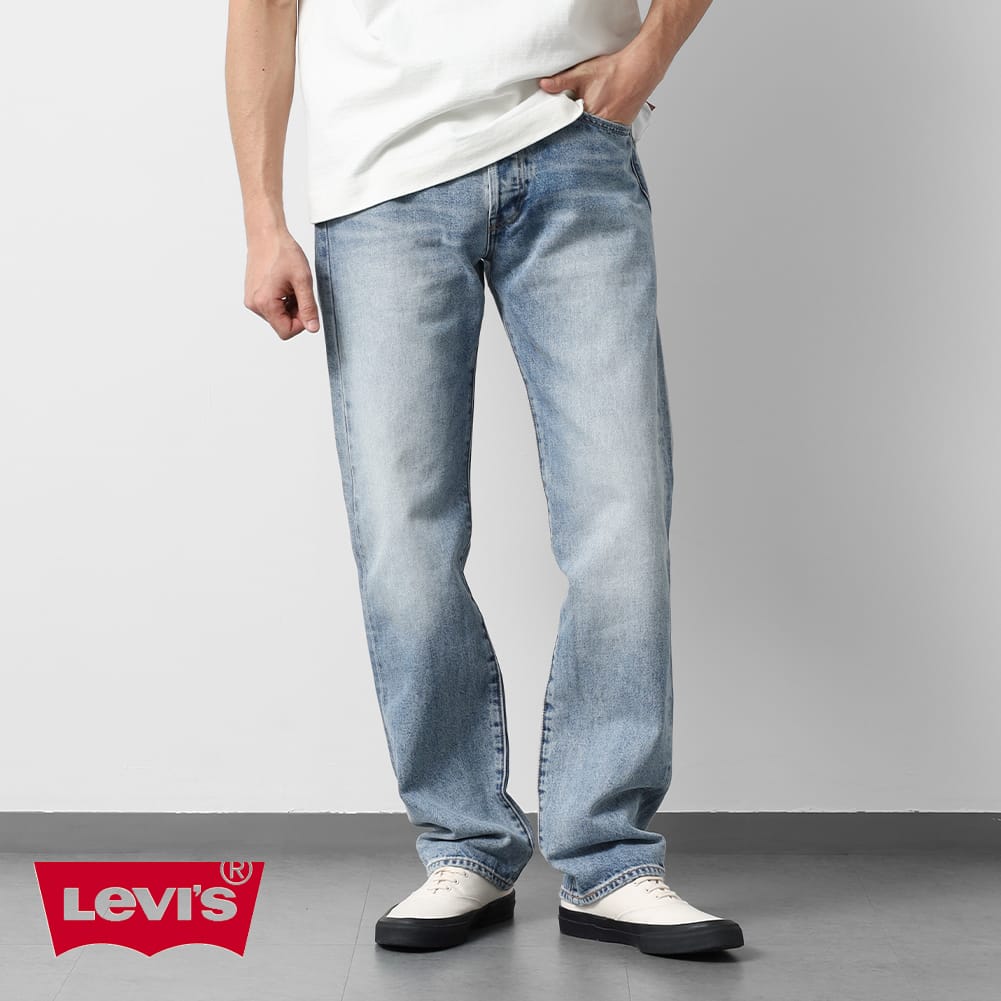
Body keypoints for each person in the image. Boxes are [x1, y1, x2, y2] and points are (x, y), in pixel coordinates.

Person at [225, 0, 744, 957]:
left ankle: (608, 857)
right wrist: (263, 219)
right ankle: (463, 840)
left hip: (573, 147)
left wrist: (650, 53)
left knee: (623, 515)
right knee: (402, 537)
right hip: (380, 182)